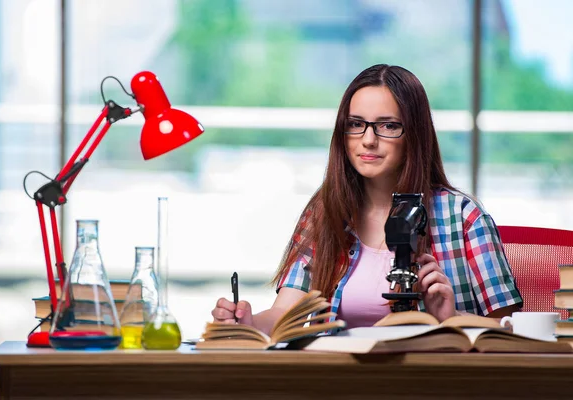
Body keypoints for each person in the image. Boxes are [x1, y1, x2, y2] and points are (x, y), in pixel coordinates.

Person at [211, 64, 522, 334]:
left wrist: (450, 318)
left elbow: (509, 330)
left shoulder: (463, 217)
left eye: (387, 126)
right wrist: (247, 323)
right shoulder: (325, 213)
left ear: (414, 133)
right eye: (356, 124)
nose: (368, 140)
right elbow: (284, 314)